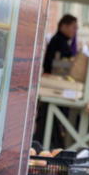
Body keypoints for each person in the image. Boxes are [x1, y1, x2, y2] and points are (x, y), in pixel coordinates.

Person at [33, 15, 78, 148]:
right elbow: (54, 65)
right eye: (73, 27)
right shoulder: (59, 41)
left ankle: (45, 146)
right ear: (63, 26)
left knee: (48, 122)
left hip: (52, 87)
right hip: (52, 86)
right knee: (48, 122)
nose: (75, 31)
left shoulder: (60, 41)